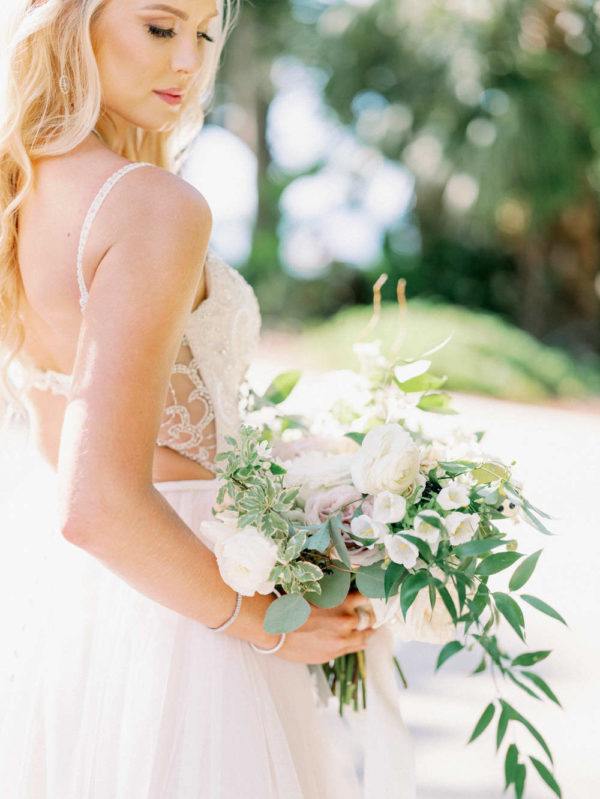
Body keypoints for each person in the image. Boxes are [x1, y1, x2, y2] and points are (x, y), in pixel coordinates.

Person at [0, 1, 416, 797]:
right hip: (182, 606)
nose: (188, 64)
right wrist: (262, 622)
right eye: (160, 28)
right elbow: (96, 501)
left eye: (203, 33)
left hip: (65, 608)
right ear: (69, 23)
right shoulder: (151, 204)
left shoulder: (26, 189)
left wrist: (303, 473)